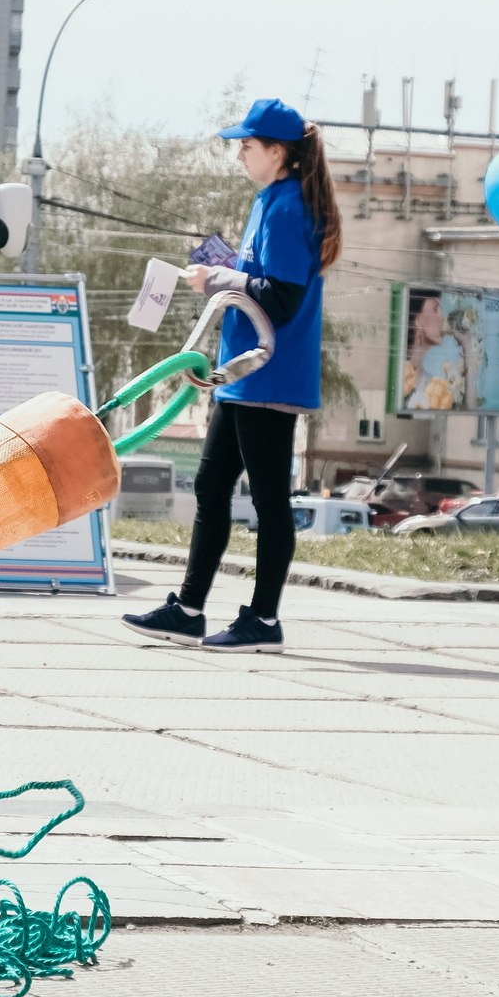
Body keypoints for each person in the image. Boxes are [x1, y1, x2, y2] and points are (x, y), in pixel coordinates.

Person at [124, 97, 340, 654]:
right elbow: (257, 277)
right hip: (240, 372)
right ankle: (188, 611)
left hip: (269, 374)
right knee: (211, 486)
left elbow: (283, 298)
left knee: (269, 500)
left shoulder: (291, 207)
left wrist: (218, 279)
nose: (239, 154)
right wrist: (220, 271)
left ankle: (263, 621)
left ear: (279, 152)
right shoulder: (269, 200)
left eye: (248, 145)